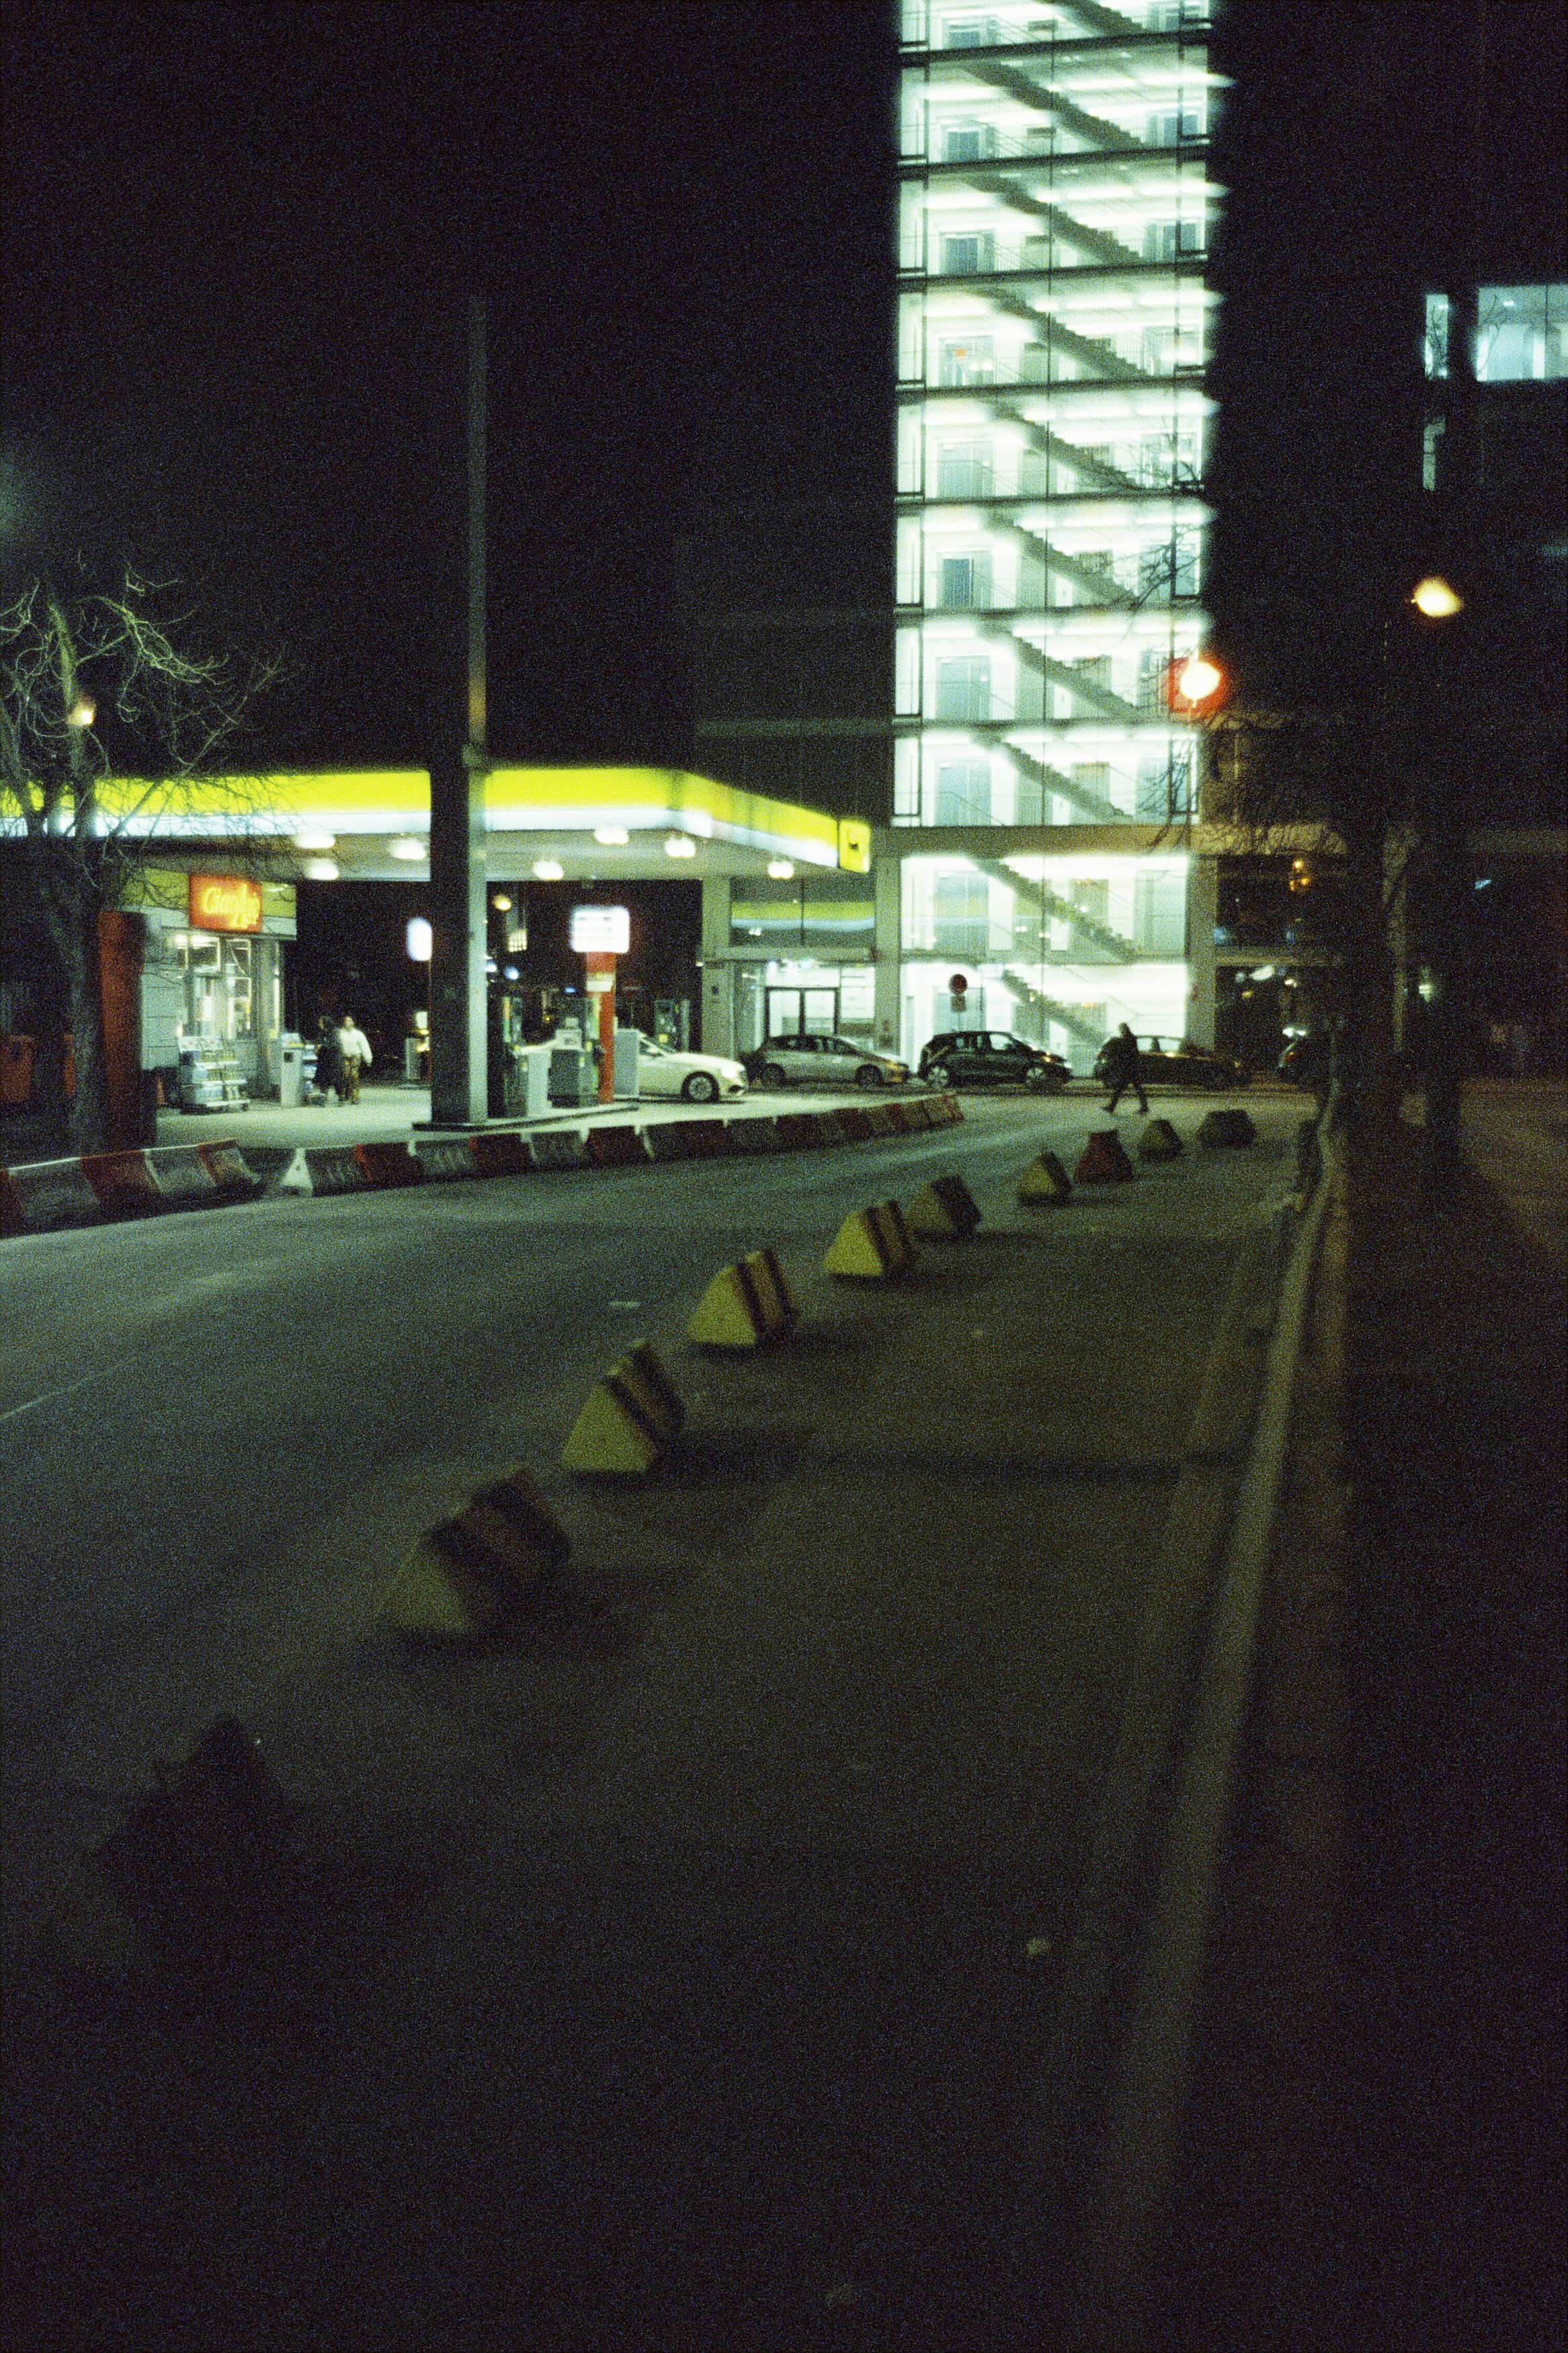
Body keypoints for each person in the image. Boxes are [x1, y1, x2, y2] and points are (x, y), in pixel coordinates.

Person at [1102, 1021, 1148, 1115]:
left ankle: (1112, 1106)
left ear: (1123, 1029)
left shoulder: (1127, 1039)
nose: (1120, 1031)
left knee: (1122, 1088)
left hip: (1129, 1068)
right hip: (1131, 1067)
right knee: (1136, 1087)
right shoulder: (1130, 1038)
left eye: (1121, 1029)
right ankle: (1144, 1107)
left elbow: (1128, 1052)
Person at [337, 1012, 374, 1103]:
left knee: (354, 1076)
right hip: (344, 1057)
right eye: (346, 1021)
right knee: (346, 1076)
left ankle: (355, 1097)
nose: (348, 1022)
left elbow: (364, 1046)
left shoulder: (358, 1034)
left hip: (355, 1056)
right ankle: (347, 1094)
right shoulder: (340, 1033)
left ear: (353, 1022)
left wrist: (368, 1059)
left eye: (350, 1021)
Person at [313, 1016, 344, 1105]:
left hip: (334, 1061)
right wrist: (317, 1048)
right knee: (323, 1080)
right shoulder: (321, 1033)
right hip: (324, 1061)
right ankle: (323, 1098)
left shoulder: (334, 1033)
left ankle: (341, 1097)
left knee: (336, 1080)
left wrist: (322, 1047)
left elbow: (335, 1045)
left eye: (321, 1023)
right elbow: (318, 1042)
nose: (319, 1025)